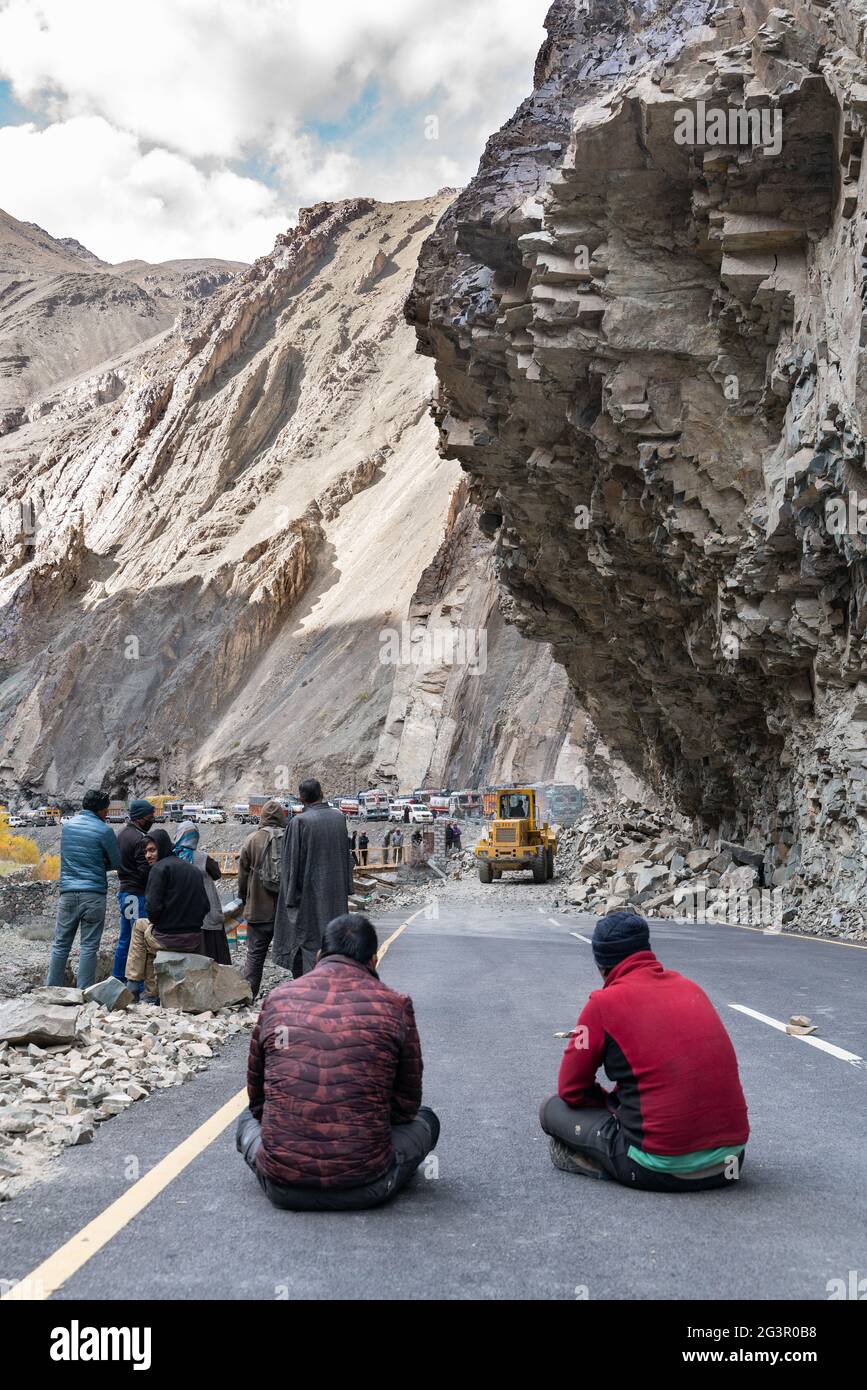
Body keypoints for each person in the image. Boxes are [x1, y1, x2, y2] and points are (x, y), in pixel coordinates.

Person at [236, 913, 439, 1211]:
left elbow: (258, 1102)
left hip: (281, 1184)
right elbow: (406, 1107)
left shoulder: (277, 1000)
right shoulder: (395, 1005)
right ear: (373, 960)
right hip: (367, 1185)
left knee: (244, 1119)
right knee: (427, 1120)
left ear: (319, 956)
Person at [539, 912, 749, 1191]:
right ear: (647, 950)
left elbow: (570, 1090)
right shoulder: (692, 988)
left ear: (601, 965)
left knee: (551, 1109)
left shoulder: (602, 1004)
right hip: (730, 1163)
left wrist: (610, 1105)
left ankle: (600, 1161)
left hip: (659, 1169)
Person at [273, 780, 355, 977]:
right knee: (333, 942)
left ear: (301, 799)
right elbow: (347, 857)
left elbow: (291, 866)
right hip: (335, 894)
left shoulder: (299, 822)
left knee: (308, 944)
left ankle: (312, 990)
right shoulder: (339, 818)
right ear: (322, 793)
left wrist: (289, 901)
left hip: (308, 898)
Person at [46, 789, 122, 990]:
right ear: (100, 809)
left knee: (60, 944)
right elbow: (117, 862)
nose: (107, 813)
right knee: (88, 946)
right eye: (106, 809)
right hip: (94, 894)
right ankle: (83, 992)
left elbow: (69, 858)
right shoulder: (105, 831)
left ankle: (51, 989)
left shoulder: (68, 827)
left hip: (68, 893)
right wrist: (98, 864)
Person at [237, 800, 288, 998]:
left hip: (259, 908)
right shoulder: (290, 838)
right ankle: (302, 995)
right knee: (293, 953)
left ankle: (249, 995)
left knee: (255, 954)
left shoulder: (252, 839)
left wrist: (244, 897)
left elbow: (242, 873)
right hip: (286, 910)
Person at [173, 821, 231, 965]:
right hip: (206, 910)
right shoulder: (203, 858)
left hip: (182, 912)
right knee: (212, 951)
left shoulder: (172, 857)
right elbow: (217, 874)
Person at [114, 799, 155, 984]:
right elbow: (144, 870)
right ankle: (134, 983)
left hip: (125, 893)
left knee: (125, 938)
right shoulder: (139, 839)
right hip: (136, 895)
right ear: (140, 818)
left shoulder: (122, 834)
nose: (152, 819)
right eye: (150, 817)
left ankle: (118, 978)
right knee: (137, 939)